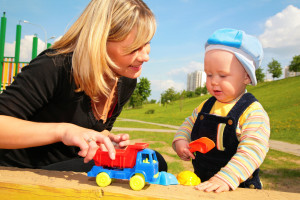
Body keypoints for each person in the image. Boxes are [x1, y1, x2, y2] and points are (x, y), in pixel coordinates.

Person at [0, 0, 167, 172]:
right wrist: (62, 131)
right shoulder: (55, 66)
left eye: (147, 43)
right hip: (18, 172)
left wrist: (106, 139)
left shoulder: (126, 80)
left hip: (67, 167)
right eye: (134, 48)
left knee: (154, 162)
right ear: (100, 40)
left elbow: (87, 132)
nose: (145, 56)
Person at [173, 28, 270, 193]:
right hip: (204, 184)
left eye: (223, 75)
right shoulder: (206, 106)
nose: (214, 82)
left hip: (238, 188)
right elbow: (188, 125)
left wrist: (226, 177)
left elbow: (253, 150)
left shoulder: (253, 113)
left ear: (246, 76)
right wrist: (180, 142)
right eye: (209, 75)